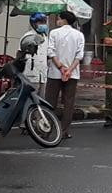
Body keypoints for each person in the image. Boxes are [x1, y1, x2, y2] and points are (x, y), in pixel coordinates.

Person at [45, 10, 84, 139]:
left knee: (50, 102)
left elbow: (51, 52)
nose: (57, 21)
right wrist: (69, 70)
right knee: (69, 103)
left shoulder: (54, 33)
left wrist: (61, 67)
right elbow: (79, 56)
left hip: (55, 72)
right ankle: (64, 130)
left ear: (63, 20)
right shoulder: (79, 35)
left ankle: (48, 127)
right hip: (72, 74)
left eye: (59, 18)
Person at [21, 12, 50, 96]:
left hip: (42, 75)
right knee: (30, 99)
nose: (43, 25)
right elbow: (20, 53)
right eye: (40, 22)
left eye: (44, 22)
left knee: (41, 100)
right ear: (33, 23)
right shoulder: (27, 37)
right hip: (31, 74)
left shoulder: (45, 37)